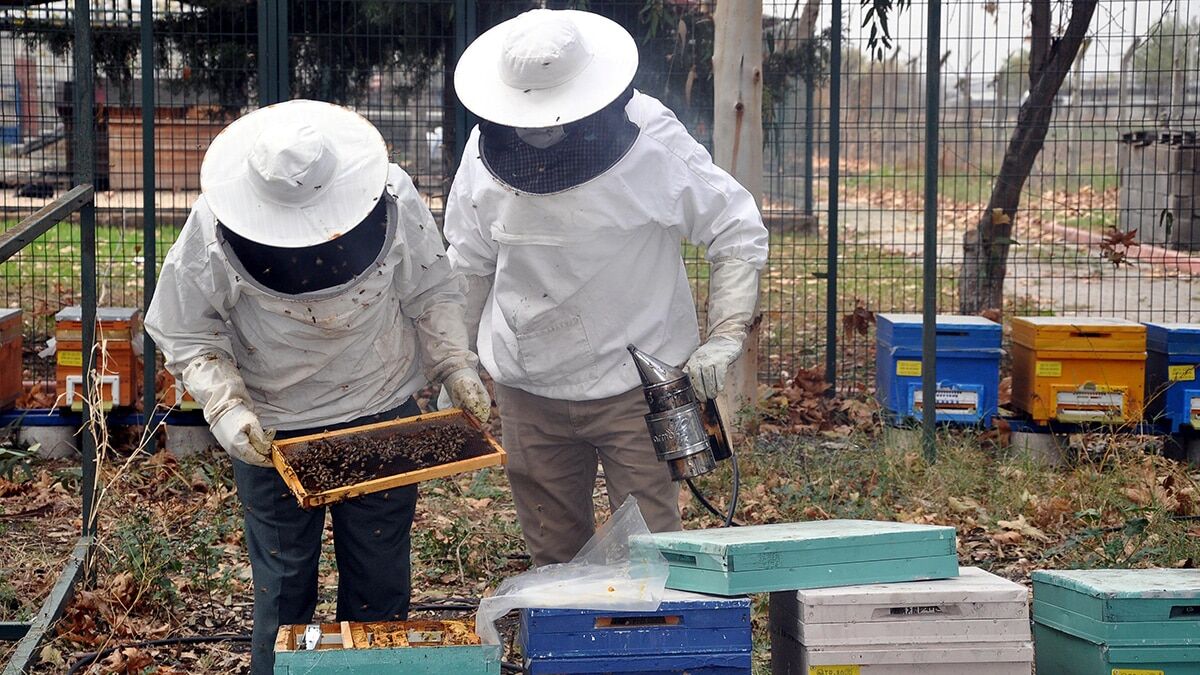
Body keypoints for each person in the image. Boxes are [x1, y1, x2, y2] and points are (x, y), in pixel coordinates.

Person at [144, 100, 490, 675]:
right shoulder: (214, 220)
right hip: (274, 430)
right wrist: (227, 406)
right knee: (282, 591)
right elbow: (185, 326)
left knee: (379, 581)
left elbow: (431, 291)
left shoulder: (393, 195)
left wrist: (454, 364)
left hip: (380, 410)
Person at [444, 9, 769, 566]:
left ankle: (651, 651)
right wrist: (457, 358)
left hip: (638, 385)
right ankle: (568, 652)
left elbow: (734, 225)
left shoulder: (650, 136)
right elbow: (469, 261)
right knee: (553, 559)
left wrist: (725, 335)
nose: (538, 127)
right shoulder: (484, 147)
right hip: (530, 383)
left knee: (651, 554)